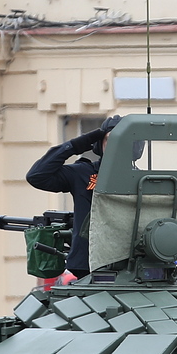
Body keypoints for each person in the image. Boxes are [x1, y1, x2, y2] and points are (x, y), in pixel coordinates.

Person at [26, 115, 123, 278]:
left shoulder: (146, 179)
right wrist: (76, 145)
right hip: (88, 265)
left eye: (121, 141)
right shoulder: (84, 173)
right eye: (109, 140)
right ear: (100, 145)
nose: (115, 146)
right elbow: (37, 176)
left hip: (131, 264)